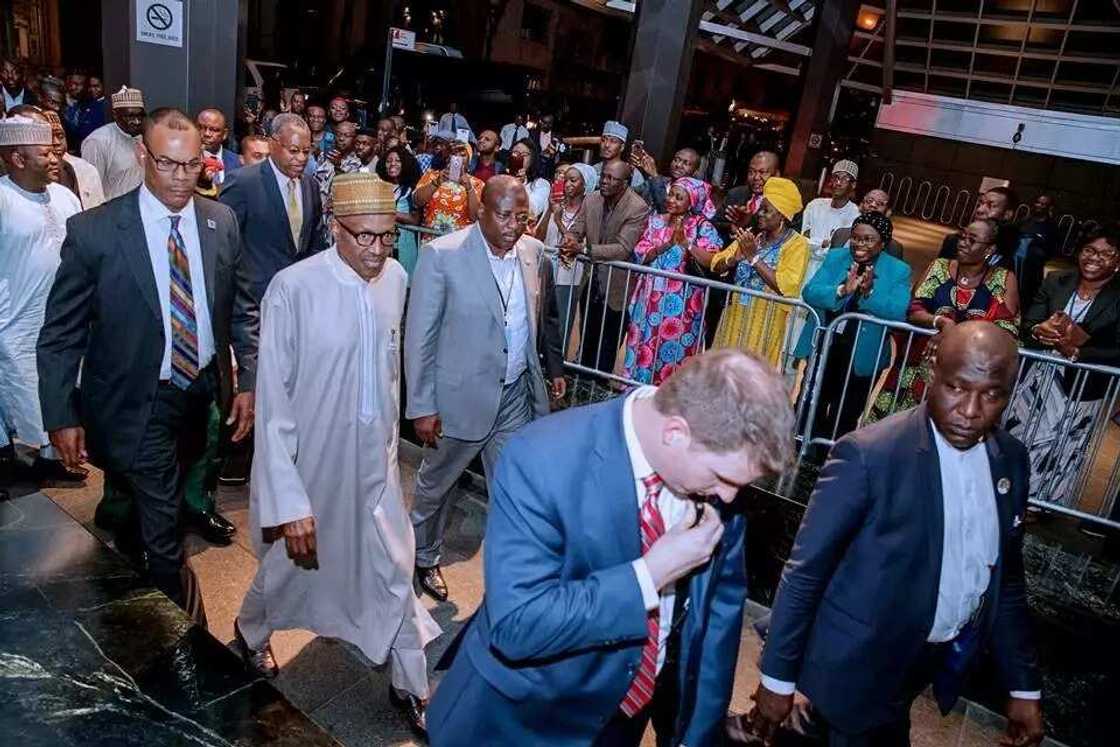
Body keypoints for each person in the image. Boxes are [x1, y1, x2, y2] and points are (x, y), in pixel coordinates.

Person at [427, 348, 795, 746]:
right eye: (724, 478)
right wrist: (650, 575)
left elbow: (718, 620)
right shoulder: (542, 458)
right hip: (523, 719)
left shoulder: (715, 479)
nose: (728, 496)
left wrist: (696, 736)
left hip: (622, 721)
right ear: (675, 433)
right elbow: (517, 624)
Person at [748, 320, 1044, 747]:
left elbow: (1007, 578)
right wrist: (776, 678)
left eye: (991, 395)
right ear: (931, 375)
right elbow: (806, 571)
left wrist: (1023, 686)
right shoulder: (870, 455)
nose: (971, 410)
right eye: (957, 388)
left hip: (918, 667)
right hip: (853, 669)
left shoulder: (1011, 461)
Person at [233, 173, 440, 734]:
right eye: (363, 237)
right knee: (288, 566)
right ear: (334, 229)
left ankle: (410, 683)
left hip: (376, 462)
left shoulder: (396, 277)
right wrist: (287, 498)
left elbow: (389, 374)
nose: (376, 251)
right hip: (313, 462)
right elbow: (273, 401)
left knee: (397, 564)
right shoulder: (293, 288)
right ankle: (250, 631)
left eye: (386, 237)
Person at [37, 108, 258, 620]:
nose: (182, 178)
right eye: (167, 164)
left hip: (201, 391)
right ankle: (181, 638)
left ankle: (136, 539)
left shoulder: (219, 221)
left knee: (169, 487)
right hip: (137, 398)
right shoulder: (96, 232)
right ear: (142, 155)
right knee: (165, 531)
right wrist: (60, 413)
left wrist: (247, 378)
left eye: (192, 165)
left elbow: (241, 307)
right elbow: (61, 333)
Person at [405, 175, 566, 603]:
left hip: (513, 396)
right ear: (481, 211)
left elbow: (537, 320)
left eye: (522, 217)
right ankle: (421, 556)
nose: (515, 226)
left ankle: (512, 580)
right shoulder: (441, 255)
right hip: (458, 399)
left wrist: (548, 375)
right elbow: (419, 336)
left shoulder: (533, 253)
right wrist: (422, 404)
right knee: (436, 487)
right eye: (505, 215)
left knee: (515, 492)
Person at [1006, 222, 1120, 508]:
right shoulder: (1056, 280)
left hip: (1082, 387)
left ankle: (1041, 502)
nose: (1094, 258)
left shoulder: (1117, 297)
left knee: (1063, 445)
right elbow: (1028, 323)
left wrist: (1078, 351)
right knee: (1019, 434)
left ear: (1118, 263)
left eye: (1105, 254)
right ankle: (1005, 488)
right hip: (1036, 380)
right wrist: (1038, 331)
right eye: (1089, 250)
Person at [0, 115, 84, 484]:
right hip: (15, 323)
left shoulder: (65, 196)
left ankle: (54, 457)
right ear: (17, 158)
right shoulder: (2, 199)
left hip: (64, 320)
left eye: (54, 150)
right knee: (24, 397)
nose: (55, 158)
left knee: (60, 392)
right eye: (44, 153)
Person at [868, 219, 1019, 423]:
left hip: (967, 377)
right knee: (895, 428)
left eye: (972, 240)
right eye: (962, 236)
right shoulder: (939, 267)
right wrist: (941, 322)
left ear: (989, 249)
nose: (963, 243)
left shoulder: (1003, 279)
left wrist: (955, 334)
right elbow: (914, 309)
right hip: (915, 371)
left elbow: (1006, 329)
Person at [795, 212, 912, 441]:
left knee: (846, 412)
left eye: (868, 239)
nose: (859, 244)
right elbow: (810, 292)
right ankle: (802, 450)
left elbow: (898, 312)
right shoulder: (837, 257)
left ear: (883, 243)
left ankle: (831, 457)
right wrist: (842, 291)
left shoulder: (898, 270)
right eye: (856, 238)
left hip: (864, 351)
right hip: (827, 344)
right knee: (812, 402)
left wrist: (868, 293)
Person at [622, 177, 721, 385]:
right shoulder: (656, 221)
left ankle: (670, 398)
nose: (671, 200)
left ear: (692, 201)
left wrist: (687, 244)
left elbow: (714, 261)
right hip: (650, 299)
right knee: (644, 345)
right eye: (670, 194)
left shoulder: (702, 227)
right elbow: (640, 253)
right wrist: (665, 245)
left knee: (675, 351)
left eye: (679, 197)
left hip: (683, 305)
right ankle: (637, 391)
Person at [220, 112, 326, 304]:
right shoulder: (243, 183)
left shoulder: (310, 186)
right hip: (253, 301)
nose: (301, 158)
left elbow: (315, 243)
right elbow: (225, 246)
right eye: (293, 150)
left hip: (297, 298)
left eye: (306, 151)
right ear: (273, 144)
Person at [560, 161, 650, 376]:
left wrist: (582, 248)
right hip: (591, 280)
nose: (605, 181)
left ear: (625, 183)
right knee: (588, 335)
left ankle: (598, 389)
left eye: (612, 178)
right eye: (604, 176)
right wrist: (570, 240)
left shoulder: (637, 207)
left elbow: (622, 248)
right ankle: (581, 386)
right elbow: (577, 229)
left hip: (618, 286)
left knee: (608, 344)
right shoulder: (591, 199)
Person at [710, 176, 809, 368]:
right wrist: (734, 259)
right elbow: (716, 264)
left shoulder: (797, 245)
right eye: (760, 209)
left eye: (766, 210)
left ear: (782, 215)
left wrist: (754, 258)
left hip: (765, 322)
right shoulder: (752, 237)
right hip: (735, 315)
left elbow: (786, 285)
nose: (760, 214)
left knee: (751, 377)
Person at [535, 163, 594, 332]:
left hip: (568, 278)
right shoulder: (555, 206)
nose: (567, 184)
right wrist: (550, 211)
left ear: (585, 185)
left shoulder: (589, 212)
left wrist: (559, 220)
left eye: (573, 180)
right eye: (565, 179)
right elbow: (539, 236)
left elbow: (573, 241)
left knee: (559, 327)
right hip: (544, 273)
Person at [800, 159, 861, 281]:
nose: (838, 183)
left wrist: (816, 243)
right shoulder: (815, 206)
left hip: (831, 273)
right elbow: (803, 241)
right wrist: (823, 243)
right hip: (804, 266)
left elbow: (840, 252)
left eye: (844, 179)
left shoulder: (855, 216)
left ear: (853, 185)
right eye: (835, 177)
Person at [80, 86, 145, 199]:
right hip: (112, 212)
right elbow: (89, 190)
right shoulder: (98, 141)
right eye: (130, 116)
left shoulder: (141, 136)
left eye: (140, 115)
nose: (137, 121)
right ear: (115, 114)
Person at [413, 132, 484, 233]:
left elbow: (475, 217)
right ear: (447, 157)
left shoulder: (477, 183)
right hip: (431, 240)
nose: (458, 158)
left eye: (463, 155)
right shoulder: (431, 175)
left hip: (460, 243)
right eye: (454, 154)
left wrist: (469, 188)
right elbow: (417, 202)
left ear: (469, 160)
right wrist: (437, 182)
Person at [939, 186, 1020, 268]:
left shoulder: (1017, 251)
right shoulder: (953, 241)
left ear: (1007, 215)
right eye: (980, 203)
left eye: (991, 206)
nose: (979, 210)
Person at [376, 144, 423, 277]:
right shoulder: (380, 187)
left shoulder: (412, 189)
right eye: (388, 161)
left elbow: (415, 219)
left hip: (405, 245)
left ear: (406, 164)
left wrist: (389, 212)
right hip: (384, 244)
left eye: (398, 161)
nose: (392, 164)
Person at [44, 110, 105, 209]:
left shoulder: (86, 170)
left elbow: (98, 213)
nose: (56, 142)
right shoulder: (30, 175)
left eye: (60, 136)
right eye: (49, 137)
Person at [715, 151, 781, 238]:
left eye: (763, 172)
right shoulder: (736, 194)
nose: (756, 177)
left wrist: (747, 223)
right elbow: (715, 222)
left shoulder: (783, 203)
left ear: (776, 175)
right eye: (751, 172)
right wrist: (732, 227)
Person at [829, 188, 905, 259]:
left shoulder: (894, 248)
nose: (873, 205)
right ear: (861, 206)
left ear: (888, 212)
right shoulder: (840, 234)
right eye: (869, 201)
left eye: (880, 203)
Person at [1016, 194, 1060, 311]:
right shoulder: (1025, 222)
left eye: (1043, 204)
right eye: (1038, 202)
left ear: (1049, 207)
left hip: (1033, 270)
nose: (1039, 206)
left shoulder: (1051, 227)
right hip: (1016, 266)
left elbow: (1051, 251)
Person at [630, 147, 701, 214]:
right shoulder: (662, 180)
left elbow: (666, 211)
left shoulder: (694, 194)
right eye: (676, 160)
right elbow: (631, 193)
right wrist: (629, 169)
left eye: (686, 163)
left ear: (695, 172)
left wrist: (654, 175)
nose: (678, 165)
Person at [509, 137, 550, 225]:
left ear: (532, 159)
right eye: (515, 153)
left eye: (524, 154)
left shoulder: (541, 184)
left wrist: (521, 185)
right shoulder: (500, 179)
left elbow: (533, 210)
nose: (519, 157)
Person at [196, 108, 240, 188]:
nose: (207, 134)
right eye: (201, 128)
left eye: (214, 130)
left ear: (224, 134)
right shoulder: (186, 160)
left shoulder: (237, 162)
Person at [594, 120, 645, 188]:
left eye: (613, 141)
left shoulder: (633, 174)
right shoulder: (593, 170)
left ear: (622, 147)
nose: (606, 145)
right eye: (603, 140)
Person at [528, 113, 560, 180]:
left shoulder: (557, 136)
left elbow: (559, 154)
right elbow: (530, 150)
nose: (545, 125)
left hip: (550, 169)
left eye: (548, 123)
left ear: (551, 124)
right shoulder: (533, 135)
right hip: (536, 168)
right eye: (543, 122)